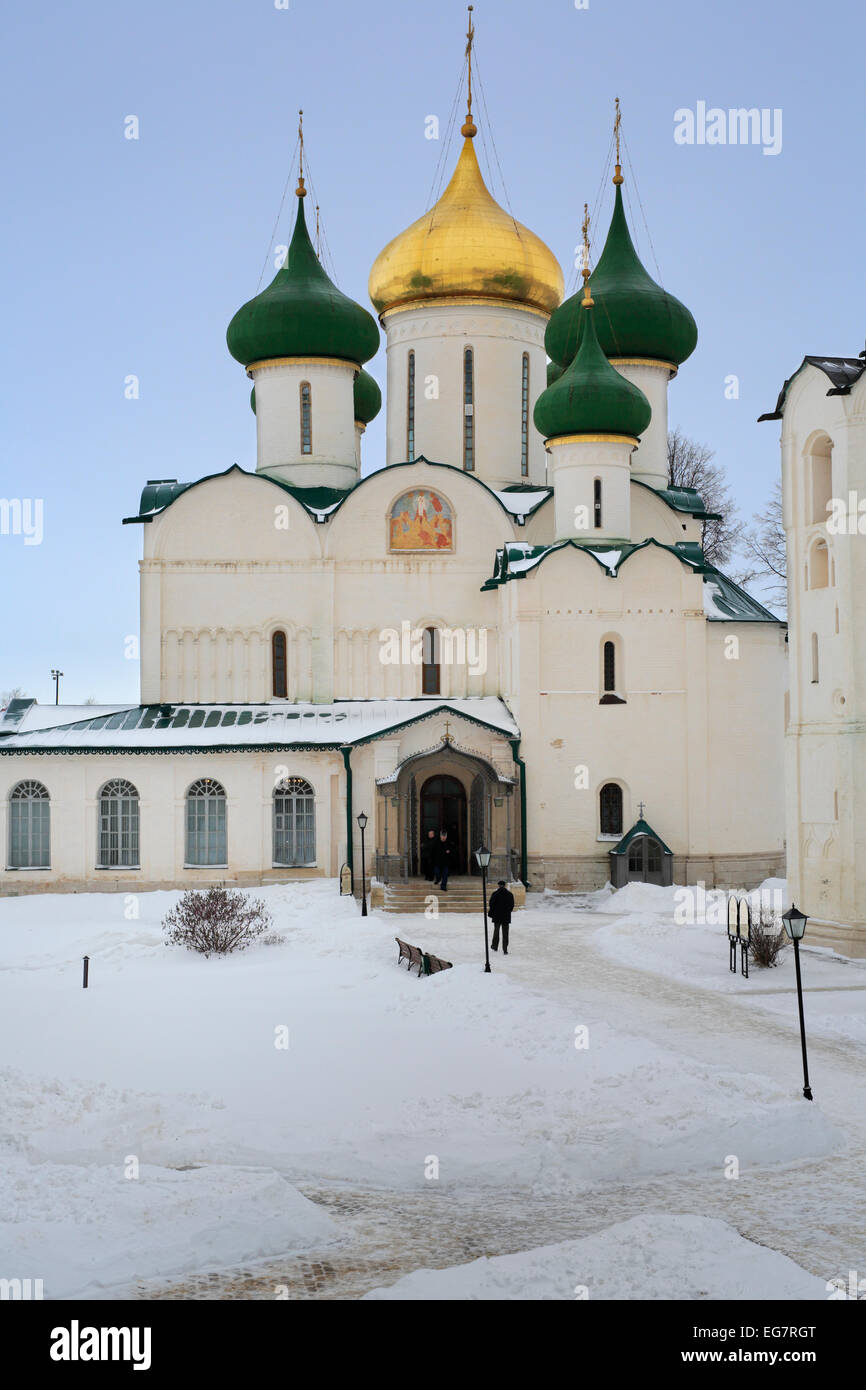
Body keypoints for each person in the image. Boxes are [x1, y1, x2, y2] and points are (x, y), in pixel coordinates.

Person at [489, 880, 515, 953]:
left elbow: (491, 904)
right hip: (506, 916)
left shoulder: (495, 894)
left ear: (499, 885)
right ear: (505, 885)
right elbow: (512, 905)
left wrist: (494, 912)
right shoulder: (510, 894)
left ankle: (494, 946)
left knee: (496, 932)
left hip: (497, 916)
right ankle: (505, 949)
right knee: (505, 933)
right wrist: (507, 911)